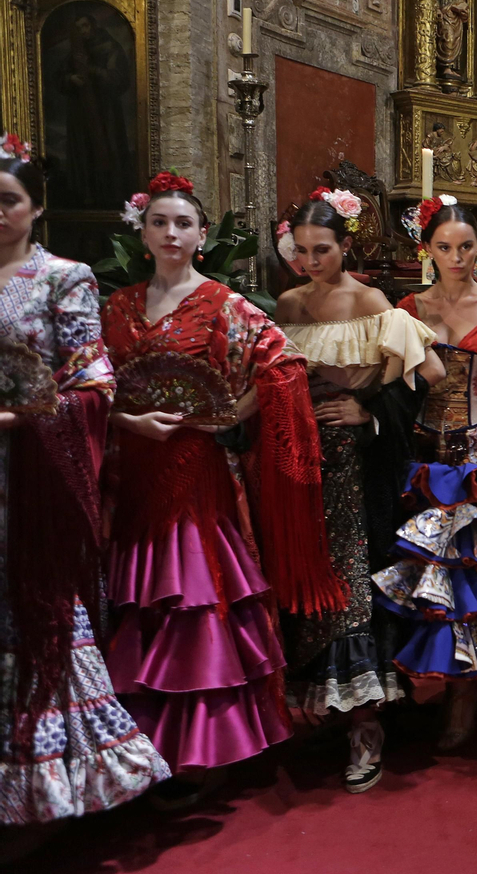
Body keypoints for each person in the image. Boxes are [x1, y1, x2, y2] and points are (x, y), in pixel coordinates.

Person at [103, 173, 342, 809]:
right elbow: (92, 386)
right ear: (144, 231)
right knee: (138, 602)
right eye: (160, 222)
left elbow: (283, 364)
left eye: (183, 224)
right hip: (132, 472)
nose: (171, 233)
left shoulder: (222, 304)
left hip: (194, 472)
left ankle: (200, 751)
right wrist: (126, 419)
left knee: (193, 600)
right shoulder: (117, 307)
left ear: (202, 236)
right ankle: (141, 744)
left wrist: (228, 416)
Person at [0, 139, 168, 828]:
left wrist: (19, 415)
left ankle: (49, 789)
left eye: (8, 200)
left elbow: (91, 383)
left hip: (30, 474)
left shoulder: (62, 277)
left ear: (36, 206)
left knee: (34, 611)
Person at [276, 191, 444, 793]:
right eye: (301, 251)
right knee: (311, 575)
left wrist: (368, 408)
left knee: (353, 581)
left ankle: (367, 724)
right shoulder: (288, 303)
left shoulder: (371, 301)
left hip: (360, 466)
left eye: (323, 250)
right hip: (301, 465)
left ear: (345, 246)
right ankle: (334, 707)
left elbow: (430, 375)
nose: (311, 261)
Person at [371, 198, 477, 750]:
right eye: (445, 247)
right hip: (422, 452)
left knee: (468, 575)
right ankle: (433, 683)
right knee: (425, 575)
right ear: (429, 250)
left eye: (466, 246)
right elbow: (394, 381)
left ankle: (466, 693)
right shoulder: (408, 306)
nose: (457, 257)